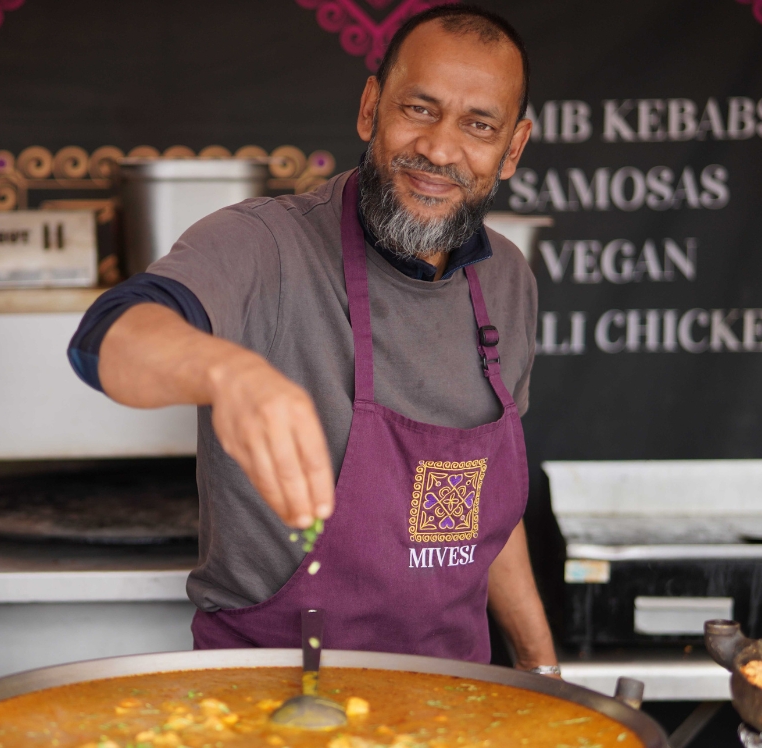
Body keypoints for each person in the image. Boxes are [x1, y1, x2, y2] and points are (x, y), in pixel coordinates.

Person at [69, 5, 556, 671]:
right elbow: (111, 337)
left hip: (457, 701)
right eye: (419, 109)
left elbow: (481, 522)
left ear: (513, 149)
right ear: (369, 107)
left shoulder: (508, 281)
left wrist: (543, 672)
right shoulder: (264, 244)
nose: (440, 149)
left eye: (478, 125)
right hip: (271, 698)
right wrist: (225, 374)